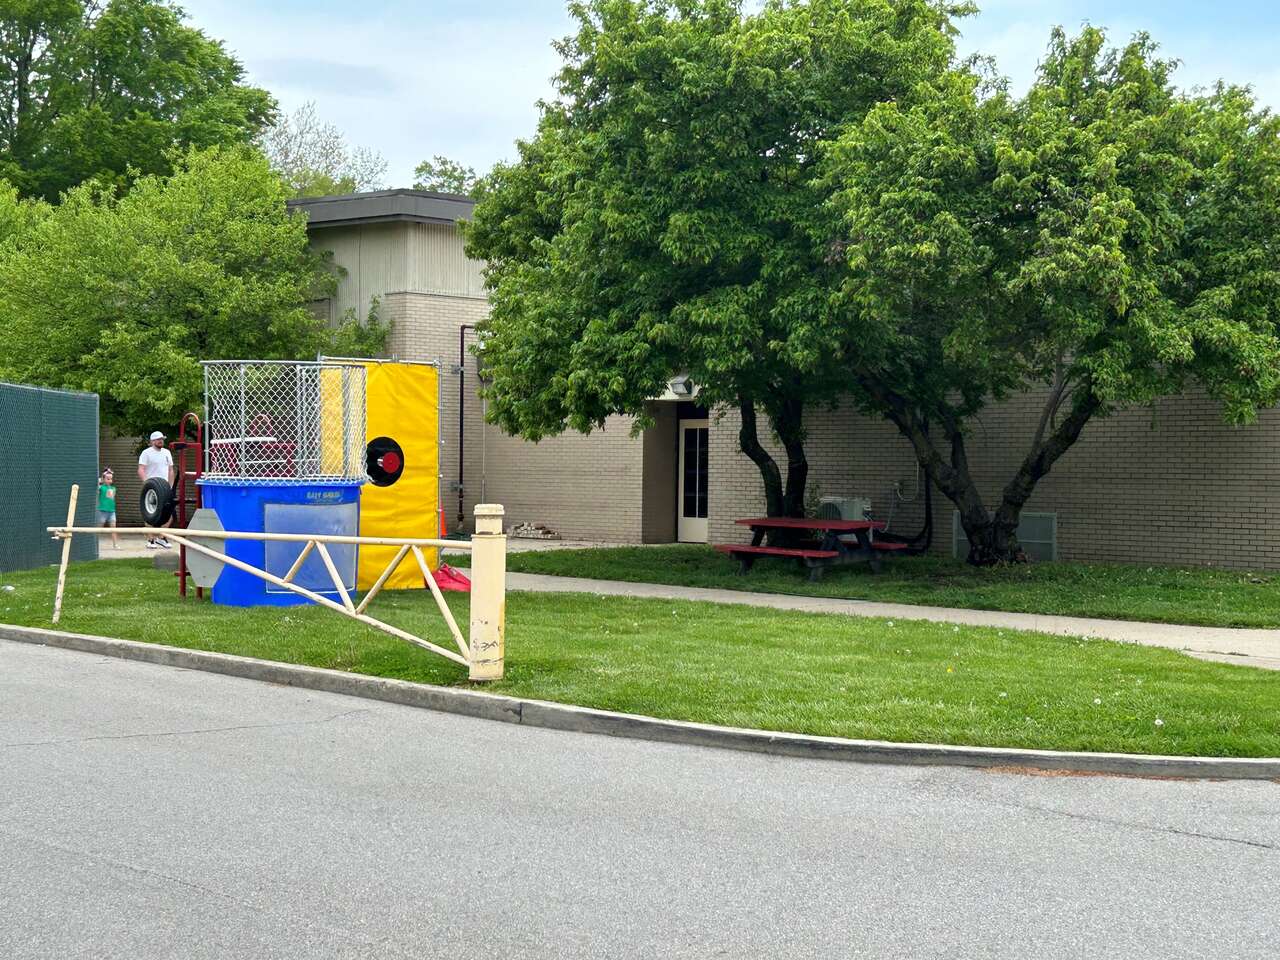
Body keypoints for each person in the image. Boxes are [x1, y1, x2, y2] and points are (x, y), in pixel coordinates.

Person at [138, 430, 174, 548]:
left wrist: (171, 486)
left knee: (170, 514)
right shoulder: (146, 453)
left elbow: (170, 470)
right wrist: (147, 483)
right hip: (152, 488)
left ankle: (161, 537)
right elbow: (141, 469)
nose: (161, 441)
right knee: (150, 515)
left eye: (162, 439)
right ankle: (151, 540)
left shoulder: (167, 452)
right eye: (158, 439)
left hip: (165, 488)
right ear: (152, 441)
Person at [97, 468, 119, 549]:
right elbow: (97, 486)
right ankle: (95, 544)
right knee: (99, 528)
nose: (110, 480)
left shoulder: (113, 488)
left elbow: (111, 498)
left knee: (113, 528)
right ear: (103, 479)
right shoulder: (101, 487)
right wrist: (100, 480)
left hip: (112, 511)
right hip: (103, 511)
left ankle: (115, 544)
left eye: (111, 479)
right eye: (108, 478)